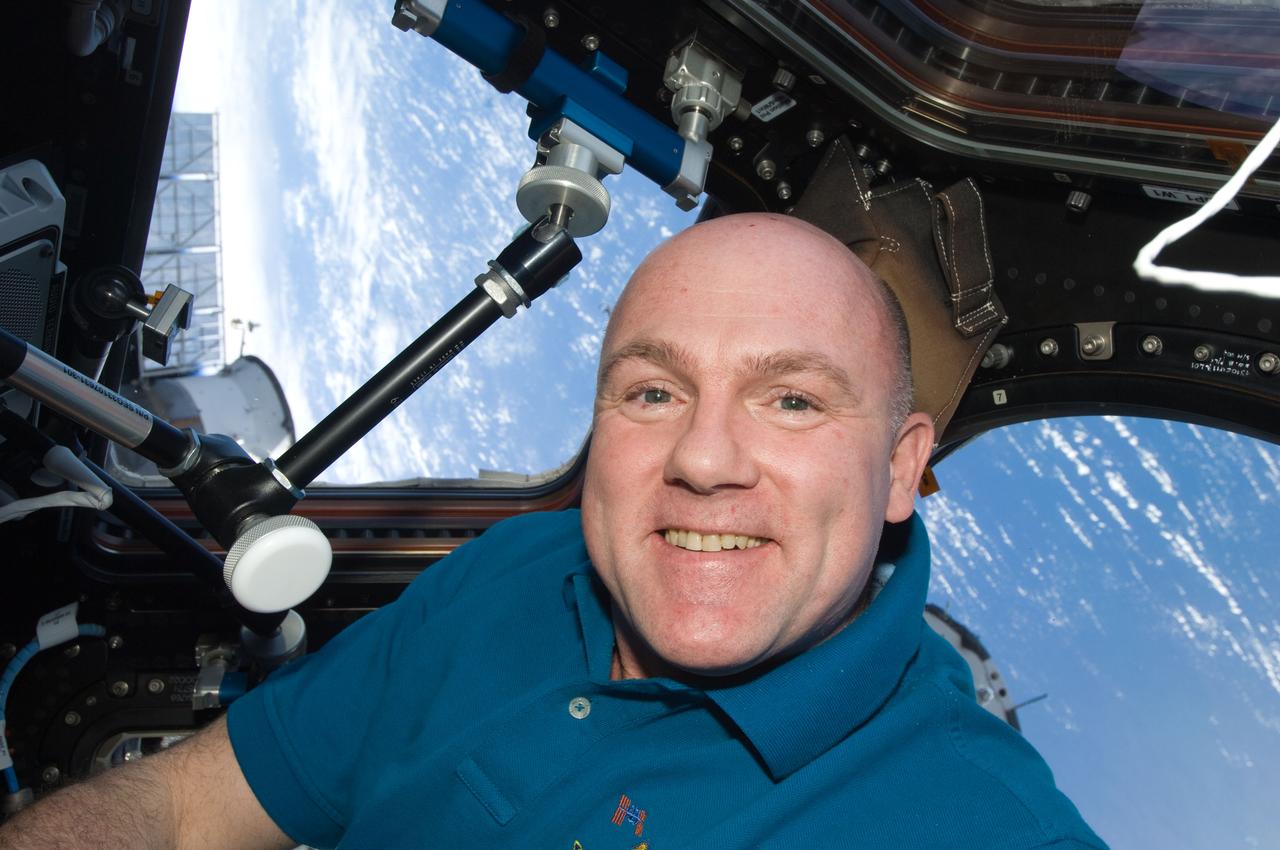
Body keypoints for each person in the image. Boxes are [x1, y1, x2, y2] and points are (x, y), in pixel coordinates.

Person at [0, 213, 1106, 849]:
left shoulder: (980, 821)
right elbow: (192, 806)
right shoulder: (519, 571)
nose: (704, 460)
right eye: (652, 393)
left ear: (902, 466)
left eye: (792, 400)